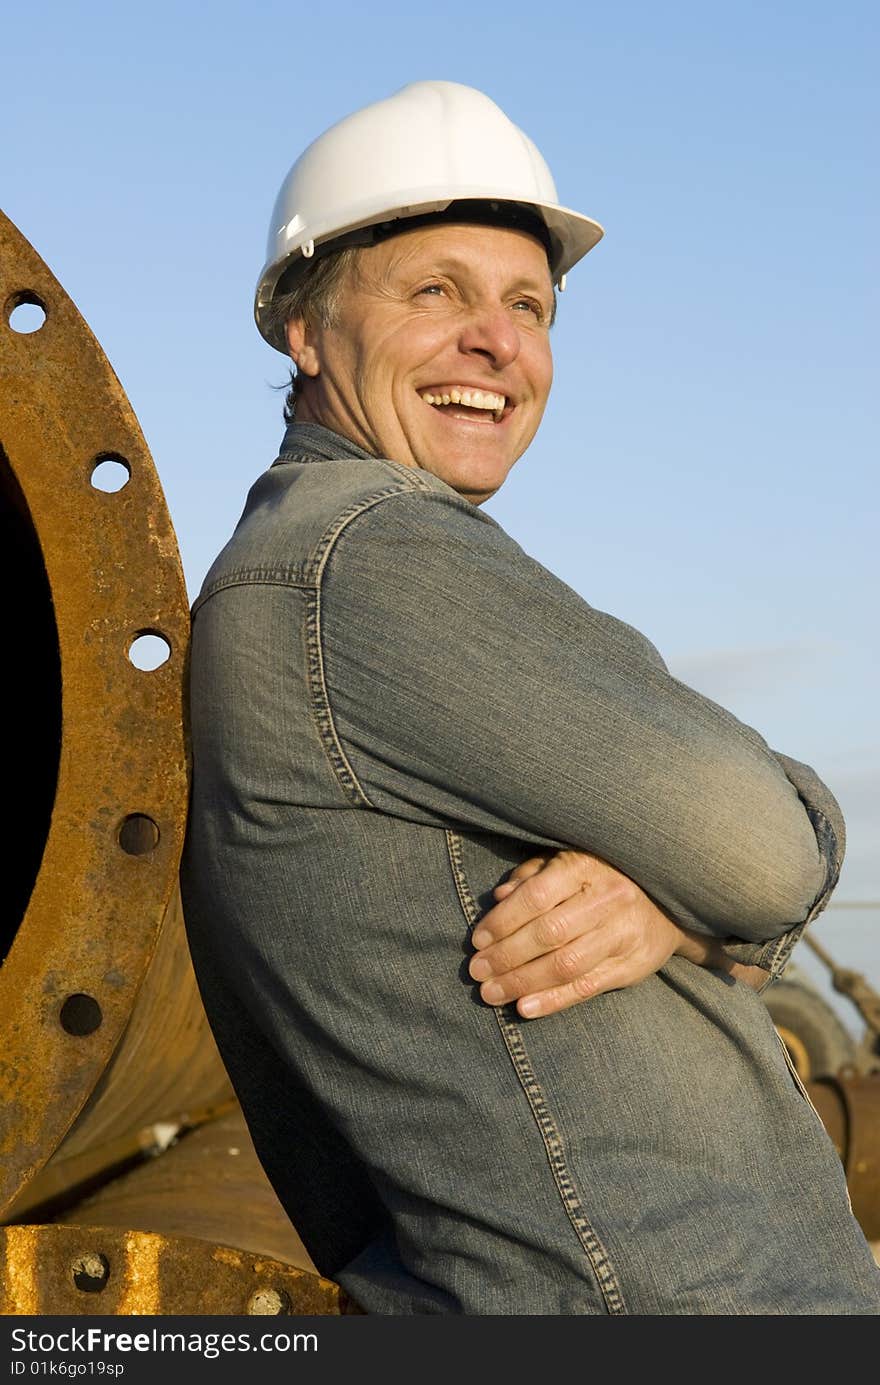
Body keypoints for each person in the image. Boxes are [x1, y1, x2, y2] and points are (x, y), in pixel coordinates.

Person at [180, 80, 880, 1314]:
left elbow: (731, 865)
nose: (496, 344)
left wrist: (673, 900)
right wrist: (741, 861)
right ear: (303, 324)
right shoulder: (370, 556)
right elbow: (760, 850)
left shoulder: (310, 560)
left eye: (527, 305)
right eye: (434, 291)